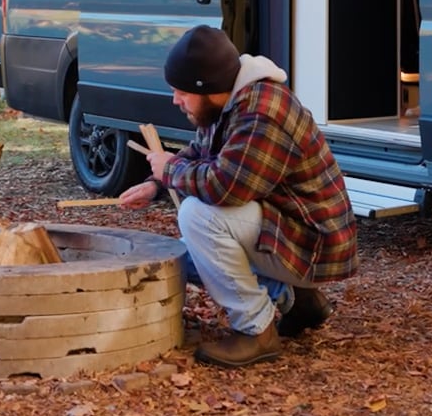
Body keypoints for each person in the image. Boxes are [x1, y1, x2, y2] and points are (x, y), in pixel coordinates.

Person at [120, 24, 358, 367]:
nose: (176, 100)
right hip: (289, 228)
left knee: (198, 217)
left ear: (207, 87)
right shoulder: (230, 99)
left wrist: (169, 170)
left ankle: (256, 330)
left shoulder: (262, 112)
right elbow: (199, 152)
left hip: (316, 246)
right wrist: (157, 184)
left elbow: (225, 188)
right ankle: (298, 300)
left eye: (181, 92)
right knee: (185, 257)